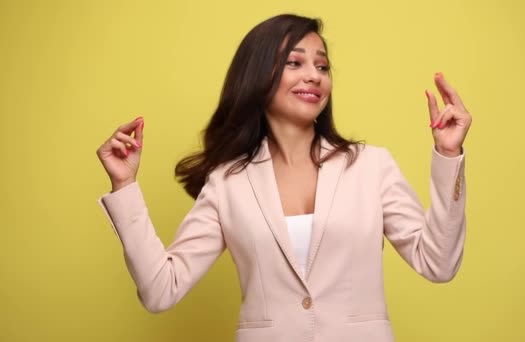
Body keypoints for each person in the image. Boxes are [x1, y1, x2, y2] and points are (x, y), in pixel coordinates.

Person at [96, 13, 472, 342]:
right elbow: (162, 290)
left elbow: (438, 263)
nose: (314, 76)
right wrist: (124, 186)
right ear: (258, 76)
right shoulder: (228, 183)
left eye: (322, 67)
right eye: (295, 63)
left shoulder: (371, 166)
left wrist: (448, 154)